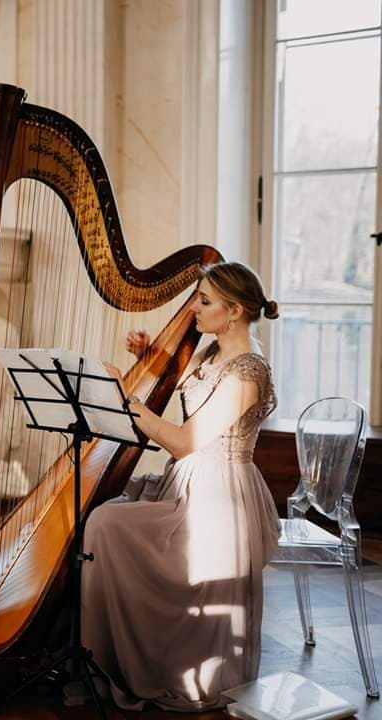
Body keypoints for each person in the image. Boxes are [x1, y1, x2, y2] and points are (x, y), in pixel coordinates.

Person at [81, 261, 282, 711]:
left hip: (218, 501)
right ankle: (106, 650)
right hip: (188, 483)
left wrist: (123, 398)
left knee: (106, 524)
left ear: (235, 311)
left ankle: (132, 657)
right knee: (104, 508)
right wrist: (147, 353)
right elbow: (181, 379)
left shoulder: (248, 373)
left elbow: (185, 441)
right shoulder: (211, 353)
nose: (194, 308)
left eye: (204, 301)